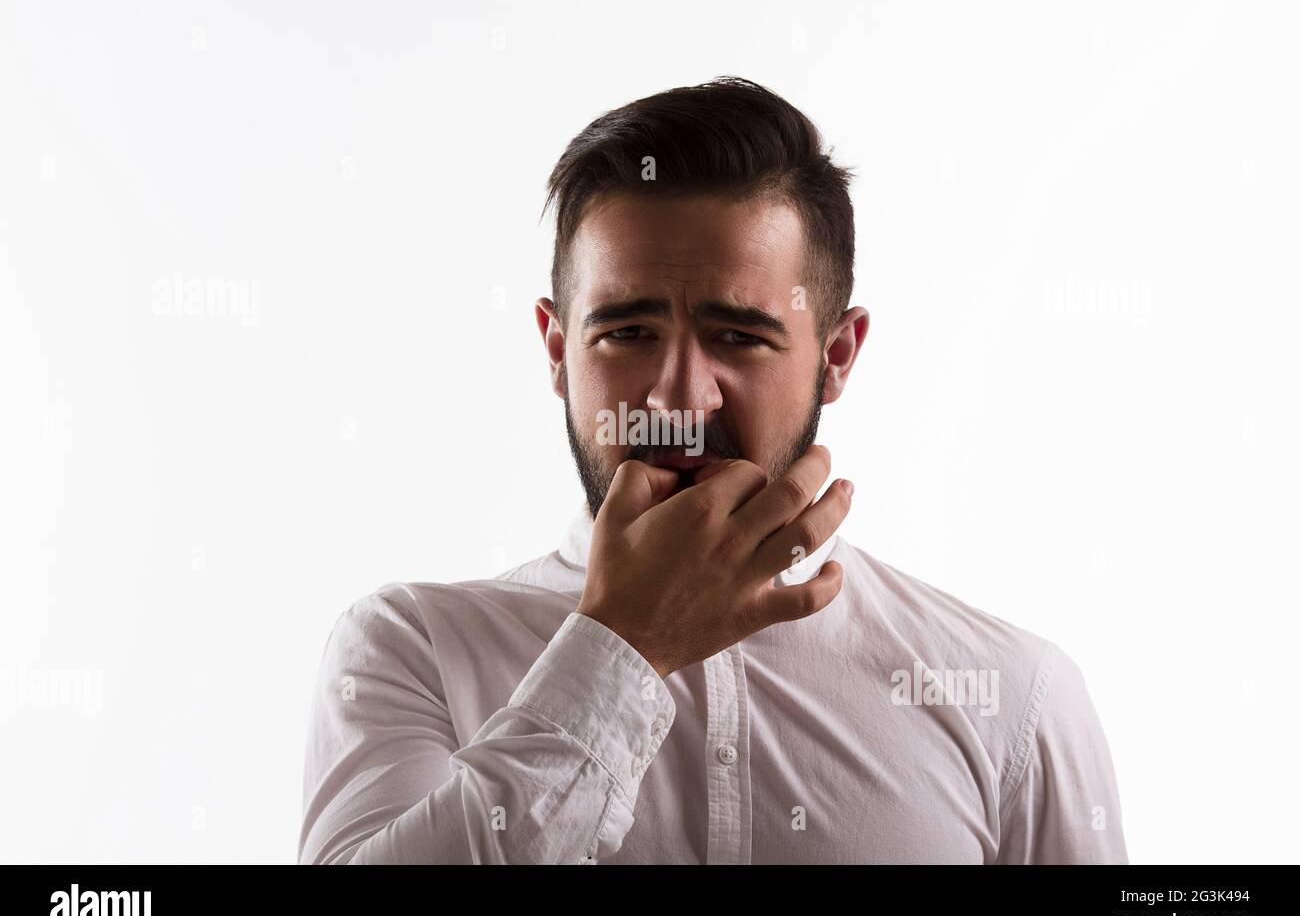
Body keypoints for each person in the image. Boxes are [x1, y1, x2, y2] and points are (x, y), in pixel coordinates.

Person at [298, 76, 1127, 864]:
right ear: (558, 352)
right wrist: (623, 645)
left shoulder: (1012, 695)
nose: (680, 393)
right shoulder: (412, 651)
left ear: (835, 357)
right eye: (626, 333)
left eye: (738, 336)